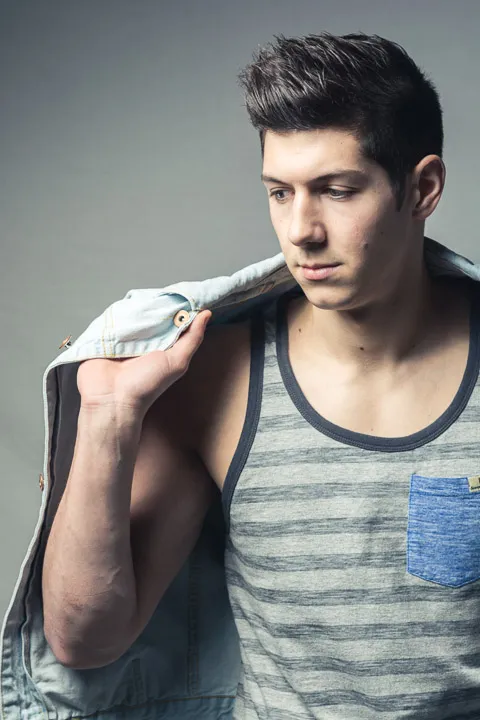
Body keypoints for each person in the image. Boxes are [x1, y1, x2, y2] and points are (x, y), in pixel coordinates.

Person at [41, 32, 480, 718]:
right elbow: (85, 640)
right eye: (280, 192)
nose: (301, 229)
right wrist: (106, 421)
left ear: (422, 189)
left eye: (337, 191)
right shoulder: (219, 379)